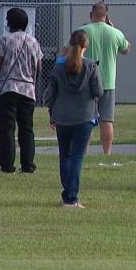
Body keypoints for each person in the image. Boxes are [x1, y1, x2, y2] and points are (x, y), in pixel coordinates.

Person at [46, 30, 103, 209]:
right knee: (77, 156)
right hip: (84, 117)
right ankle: (71, 197)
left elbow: (50, 95)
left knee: (65, 156)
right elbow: (98, 92)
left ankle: (67, 193)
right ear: (86, 45)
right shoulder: (91, 66)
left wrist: (52, 114)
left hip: (62, 117)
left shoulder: (58, 67)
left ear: (70, 44)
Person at [0, 8, 43, 173]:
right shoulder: (33, 42)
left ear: (9, 23)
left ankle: (7, 165)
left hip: (8, 88)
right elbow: (39, 66)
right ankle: (28, 164)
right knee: (26, 128)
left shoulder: (4, 40)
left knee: (7, 128)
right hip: (28, 89)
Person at [77, 2, 130, 155]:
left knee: (86, 120)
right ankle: (107, 152)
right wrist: (112, 29)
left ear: (90, 15)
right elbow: (126, 49)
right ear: (106, 16)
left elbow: (66, 51)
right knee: (106, 120)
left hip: (85, 82)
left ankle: (84, 152)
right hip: (107, 82)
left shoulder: (83, 31)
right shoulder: (115, 33)